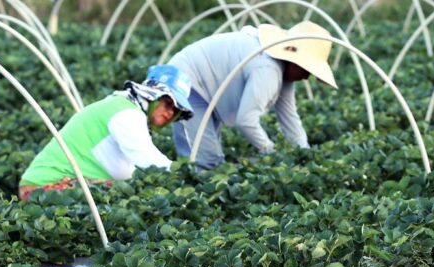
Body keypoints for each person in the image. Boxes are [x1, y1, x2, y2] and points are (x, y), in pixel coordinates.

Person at [168, 21, 337, 170]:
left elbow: (290, 118)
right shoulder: (267, 70)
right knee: (204, 161)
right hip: (185, 80)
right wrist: (271, 152)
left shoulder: (283, 72)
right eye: (307, 69)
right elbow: (246, 121)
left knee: (210, 159)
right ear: (294, 61)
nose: (307, 77)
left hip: (205, 85)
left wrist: (304, 153)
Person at [18, 64, 194, 200]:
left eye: (176, 110)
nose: (170, 112)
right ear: (152, 96)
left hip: (50, 185)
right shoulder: (127, 113)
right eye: (167, 103)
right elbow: (147, 159)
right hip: (44, 188)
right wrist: (187, 176)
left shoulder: (125, 107)